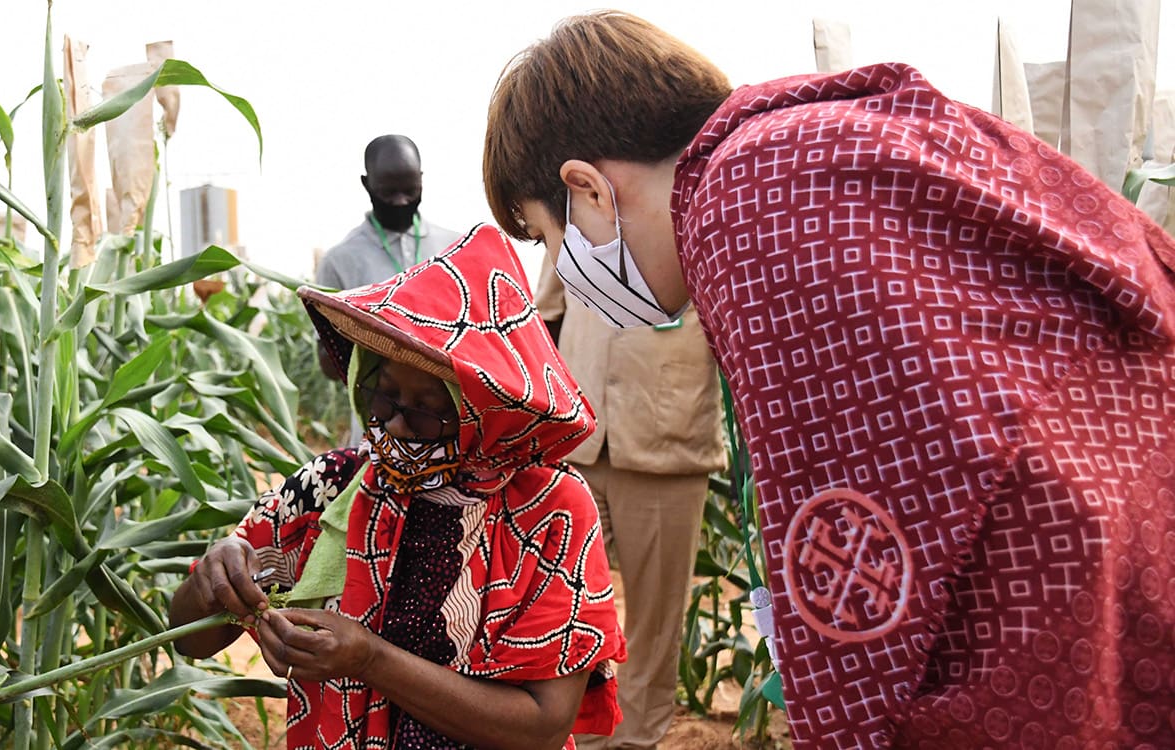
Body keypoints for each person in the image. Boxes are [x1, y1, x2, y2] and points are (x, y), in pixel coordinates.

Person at [483, 11, 1175, 749]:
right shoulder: (810, 137)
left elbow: (848, 548)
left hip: (1049, 586)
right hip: (1128, 510)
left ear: (587, 189)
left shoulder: (736, 209)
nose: (564, 271)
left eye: (553, 240)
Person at [171, 225, 627, 749]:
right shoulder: (331, 489)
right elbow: (195, 639)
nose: (396, 428)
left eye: (428, 411)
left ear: (482, 412)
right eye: (382, 398)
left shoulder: (549, 510)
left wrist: (371, 660)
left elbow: (543, 725)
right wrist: (214, 579)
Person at [534, 261, 726, 750]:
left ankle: (635, 740)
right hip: (578, 432)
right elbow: (546, 318)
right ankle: (572, 732)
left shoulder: (700, 209)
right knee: (560, 604)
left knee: (656, 616)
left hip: (669, 433)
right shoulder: (571, 202)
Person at [315, 134, 463, 379]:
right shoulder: (339, 261)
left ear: (421, 180)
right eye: (388, 192)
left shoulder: (455, 248)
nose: (401, 201)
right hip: (381, 411)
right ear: (366, 184)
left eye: (410, 190)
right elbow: (330, 362)